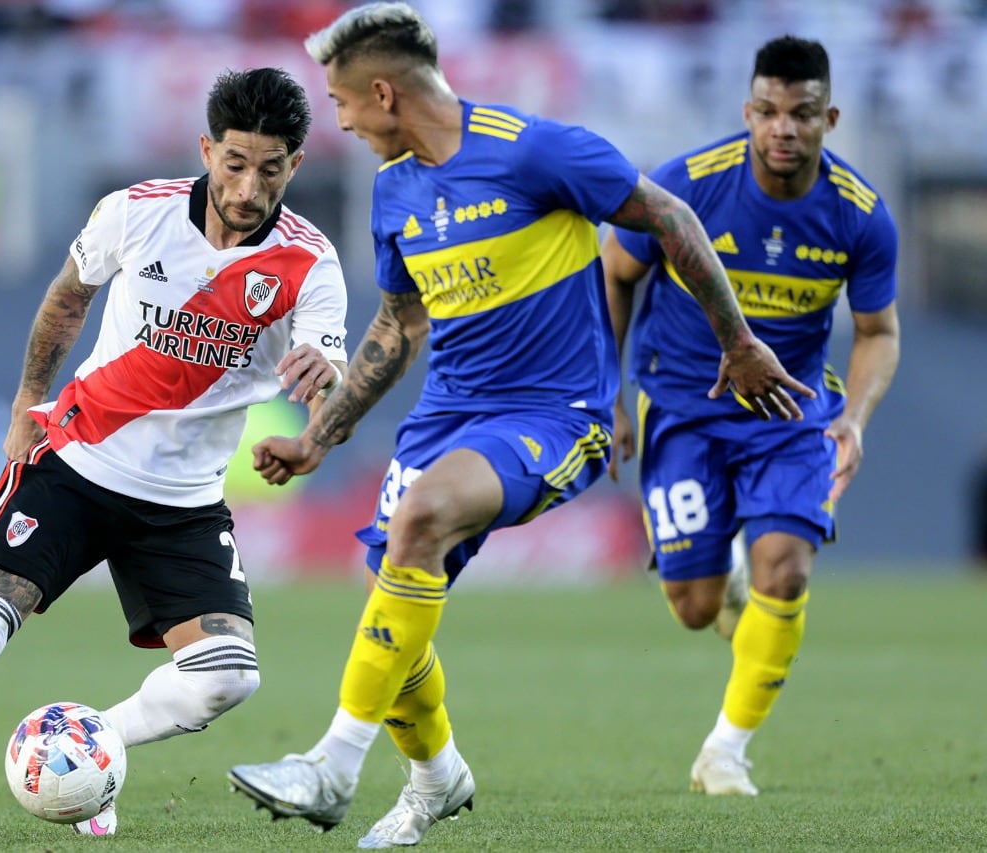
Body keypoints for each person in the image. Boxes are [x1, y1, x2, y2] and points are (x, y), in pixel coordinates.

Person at [225, 4, 812, 848]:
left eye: (343, 103)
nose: (341, 122)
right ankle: (436, 777)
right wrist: (319, 436)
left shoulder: (537, 151)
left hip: (553, 412)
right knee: (392, 605)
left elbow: (673, 218)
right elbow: (400, 323)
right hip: (445, 417)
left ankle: (331, 768)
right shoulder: (394, 190)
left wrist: (739, 340)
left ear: (384, 94)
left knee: (422, 518)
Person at [0, 67, 350, 845]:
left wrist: (318, 399)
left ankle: (88, 742)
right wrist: (25, 401)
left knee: (228, 678)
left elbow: (328, 364)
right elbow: (68, 295)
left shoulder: (311, 262)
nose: (247, 187)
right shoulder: (137, 211)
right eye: (234, 163)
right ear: (207, 149)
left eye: (270, 169)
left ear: (295, 165)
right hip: (78, 462)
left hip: (184, 502)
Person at [601, 35, 900, 796]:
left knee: (787, 569)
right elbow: (614, 269)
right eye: (768, 111)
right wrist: (609, 391)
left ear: (829, 118)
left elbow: (878, 332)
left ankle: (725, 752)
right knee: (694, 606)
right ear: (747, 112)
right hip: (682, 406)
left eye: (802, 113)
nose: (783, 128)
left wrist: (855, 418)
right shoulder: (687, 187)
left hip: (791, 410)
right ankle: (725, 587)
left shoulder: (861, 215)